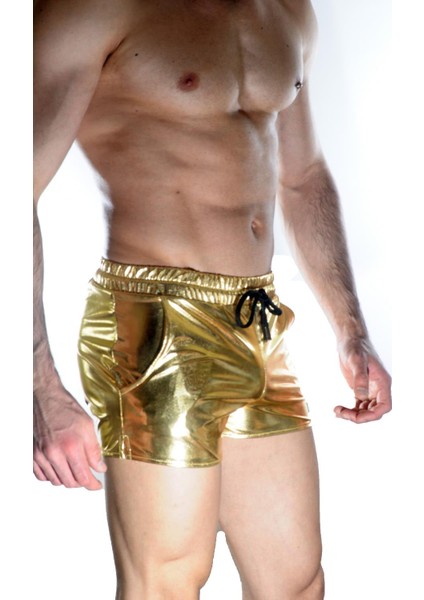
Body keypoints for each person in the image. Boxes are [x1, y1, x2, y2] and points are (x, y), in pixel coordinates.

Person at [33, 0, 392, 598]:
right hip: (154, 324)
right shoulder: (98, 8)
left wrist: (351, 329)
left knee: (296, 582)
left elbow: (303, 177)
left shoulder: (287, 11)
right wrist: (41, 387)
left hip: (258, 322)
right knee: (166, 582)